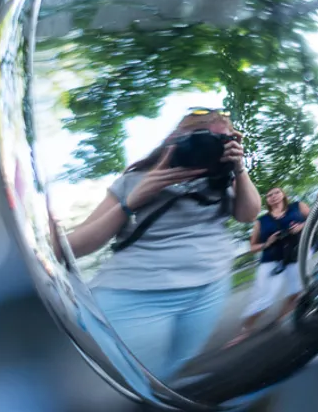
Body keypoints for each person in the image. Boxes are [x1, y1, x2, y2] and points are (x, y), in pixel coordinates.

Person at [66, 108, 261, 380]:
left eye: (222, 141)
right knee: (117, 384)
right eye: (200, 138)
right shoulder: (133, 181)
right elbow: (75, 246)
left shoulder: (224, 180)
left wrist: (238, 168)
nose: (207, 148)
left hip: (211, 288)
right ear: (174, 139)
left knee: (170, 374)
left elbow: (248, 215)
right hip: (134, 293)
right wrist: (133, 200)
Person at [228, 187, 310, 345]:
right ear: (266, 200)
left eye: (276, 193)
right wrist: (268, 243)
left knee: (297, 290)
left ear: (283, 194)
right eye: (269, 195)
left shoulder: (297, 206)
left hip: (295, 255)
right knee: (263, 297)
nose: (273, 197)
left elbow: (315, 218)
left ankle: (282, 318)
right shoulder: (261, 221)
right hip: (271, 260)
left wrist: (301, 227)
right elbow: (252, 247)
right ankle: (245, 329)